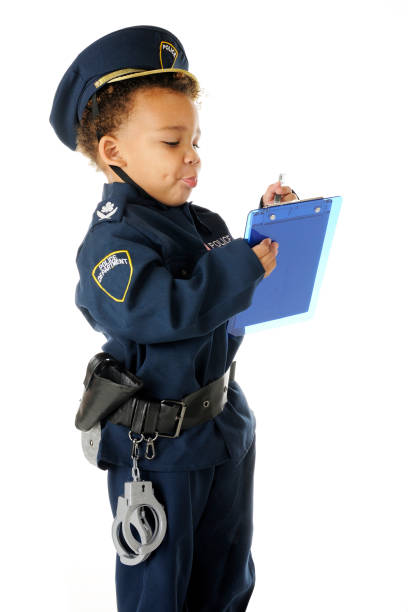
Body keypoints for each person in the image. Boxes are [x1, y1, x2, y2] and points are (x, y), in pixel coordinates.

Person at [49, 24, 299, 612]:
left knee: (227, 576)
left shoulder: (202, 222)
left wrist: (267, 232)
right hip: (159, 448)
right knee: (161, 591)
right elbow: (159, 311)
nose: (192, 156)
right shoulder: (112, 244)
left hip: (222, 426)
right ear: (114, 152)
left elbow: (228, 298)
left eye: (194, 139)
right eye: (170, 142)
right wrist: (240, 268)